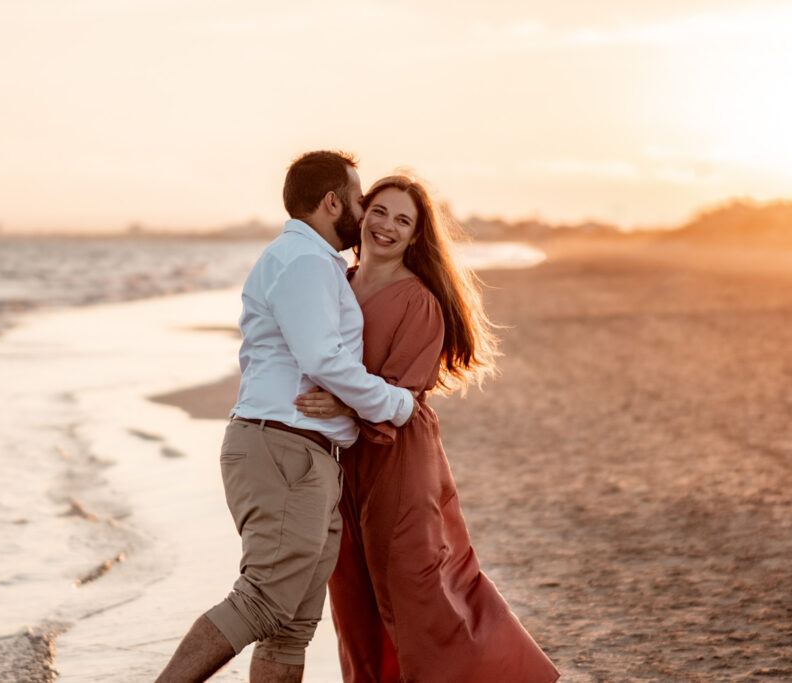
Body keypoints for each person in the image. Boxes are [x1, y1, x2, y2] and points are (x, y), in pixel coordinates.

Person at [153, 152, 420, 683]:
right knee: (263, 604)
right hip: (284, 451)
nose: (365, 209)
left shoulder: (312, 261)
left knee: (291, 625)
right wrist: (397, 403)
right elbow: (323, 359)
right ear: (331, 201)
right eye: (359, 196)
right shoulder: (304, 262)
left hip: (306, 456)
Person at [293, 175, 560, 682]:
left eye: (403, 220)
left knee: (420, 593)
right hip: (340, 462)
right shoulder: (337, 284)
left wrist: (343, 407)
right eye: (379, 212)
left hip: (399, 461)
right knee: (353, 598)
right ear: (361, 213)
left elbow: (404, 396)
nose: (387, 227)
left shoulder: (419, 302)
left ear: (416, 236)